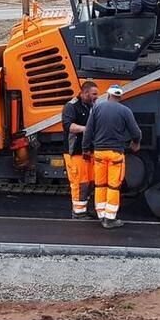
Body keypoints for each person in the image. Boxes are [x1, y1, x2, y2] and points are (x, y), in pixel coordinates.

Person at [85, 84, 141, 229]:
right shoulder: (125, 111)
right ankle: (110, 218)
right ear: (120, 97)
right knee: (113, 186)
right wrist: (136, 143)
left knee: (100, 184)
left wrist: (86, 149)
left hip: (99, 153)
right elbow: (136, 132)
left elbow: (88, 130)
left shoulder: (97, 108)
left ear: (108, 95)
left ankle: (101, 214)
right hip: (115, 153)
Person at [62, 81, 100, 218]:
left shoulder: (92, 107)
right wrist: (86, 130)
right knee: (79, 183)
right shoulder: (71, 107)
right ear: (84, 93)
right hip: (75, 152)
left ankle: (83, 209)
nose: (97, 97)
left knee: (89, 182)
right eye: (94, 94)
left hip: (89, 151)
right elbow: (68, 126)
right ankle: (78, 212)